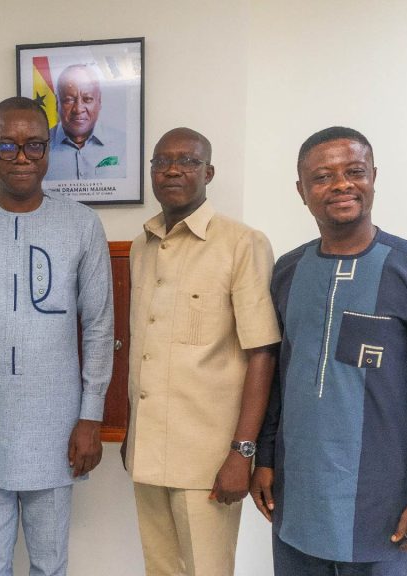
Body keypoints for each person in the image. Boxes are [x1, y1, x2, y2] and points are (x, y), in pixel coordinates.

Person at [250, 127, 407, 576]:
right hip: (296, 498)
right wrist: (265, 457)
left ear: (374, 177)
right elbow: (279, 374)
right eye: (322, 177)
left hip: (383, 508)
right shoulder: (287, 271)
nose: (341, 185)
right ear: (301, 191)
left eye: (355, 171)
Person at [0, 96, 114, 576]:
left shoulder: (81, 224)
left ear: (48, 149)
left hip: (57, 421)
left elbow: (99, 327)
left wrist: (91, 417)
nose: (21, 157)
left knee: (50, 563)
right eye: (7, 145)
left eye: (34, 145)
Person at [121, 128, 281, 575]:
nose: (173, 170)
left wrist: (242, 453)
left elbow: (263, 353)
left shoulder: (242, 243)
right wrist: (134, 429)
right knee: (160, 570)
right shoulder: (141, 246)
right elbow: (144, 347)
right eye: (162, 161)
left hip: (209, 459)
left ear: (208, 173)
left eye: (188, 161)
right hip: (147, 450)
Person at [45, 64, 126, 180]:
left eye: (87, 99)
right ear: (57, 103)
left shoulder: (123, 144)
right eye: (69, 100)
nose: (78, 109)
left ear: (99, 101)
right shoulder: (40, 147)